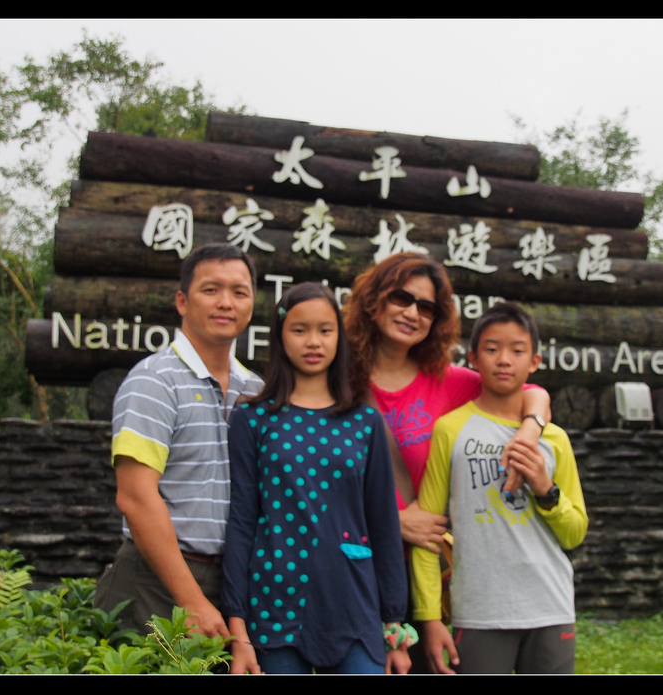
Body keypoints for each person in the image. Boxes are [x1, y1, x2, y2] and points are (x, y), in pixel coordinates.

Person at [222, 283, 411, 674]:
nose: (313, 341)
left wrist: (394, 624)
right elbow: (241, 522)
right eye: (299, 329)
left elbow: (383, 525)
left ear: (339, 338)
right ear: (279, 337)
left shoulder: (364, 423)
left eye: (325, 330)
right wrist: (236, 626)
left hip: (352, 603)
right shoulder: (251, 420)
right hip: (272, 606)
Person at [94, 243, 263, 639]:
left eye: (239, 292)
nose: (226, 302)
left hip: (232, 582)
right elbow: (135, 497)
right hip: (155, 583)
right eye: (211, 290)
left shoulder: (256, 391)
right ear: (182, 301)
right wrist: (191, 601)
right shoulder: (153, 381)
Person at [410, 303, 588, 674]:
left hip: (550, 606)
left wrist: (545, 488)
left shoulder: (553, 439)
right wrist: (428, 618)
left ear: (535, 361)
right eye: (491, 349)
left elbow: (574, 533)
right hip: (479, 611)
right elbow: (428, 532)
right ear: (473, 358)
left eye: (517, 350)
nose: (504, 360)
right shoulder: (451, 430)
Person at [342, 253, 552, 556]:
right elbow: (312, 482)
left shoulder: (446, 381)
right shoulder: (336, 381)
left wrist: (529, 433)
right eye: (401, 298)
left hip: (420, 567)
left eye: (426, 307)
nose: (413, 313)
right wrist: (392, 521)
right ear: (374, 300)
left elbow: (529, 392)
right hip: (353, 562)